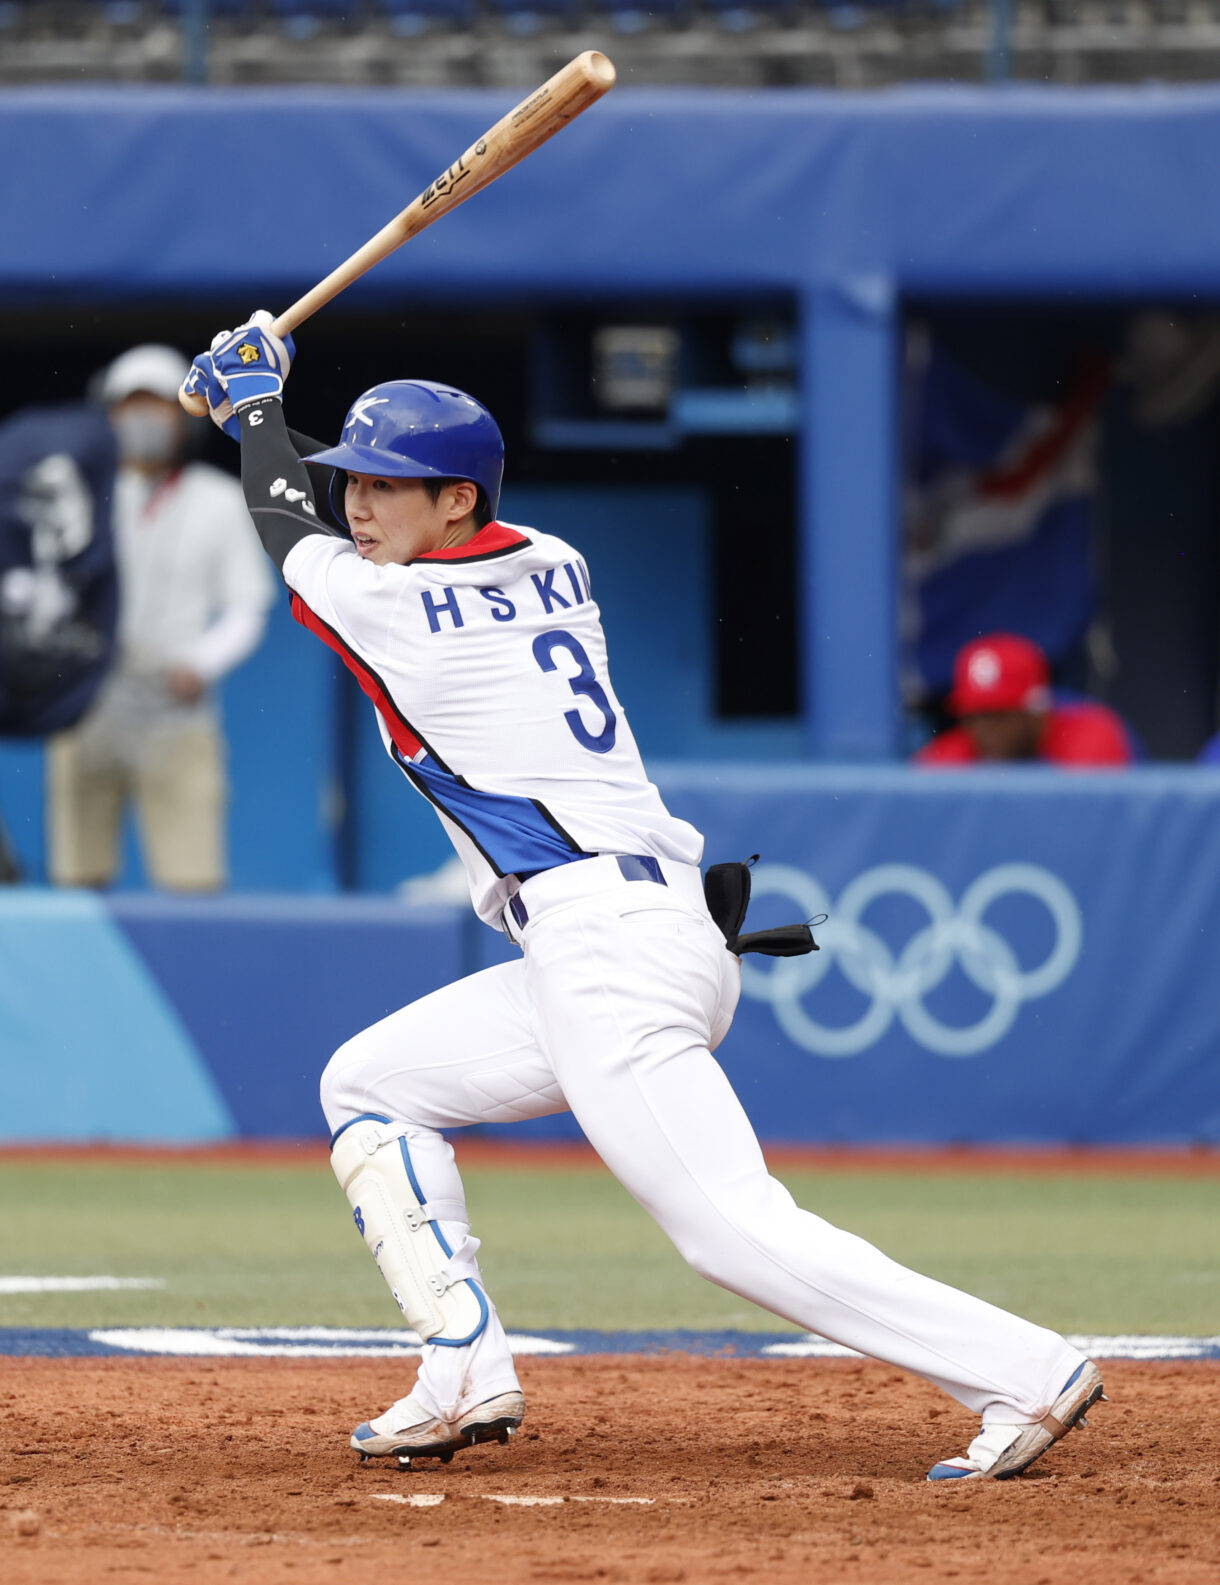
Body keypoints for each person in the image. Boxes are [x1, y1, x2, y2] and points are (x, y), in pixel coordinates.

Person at [185, 311, 1104, 1483]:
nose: (361, 504)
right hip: (621, 934)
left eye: (390, 485)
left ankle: (1018, 1369)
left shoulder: (396, 607)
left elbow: (288, 530)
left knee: (725, 1227)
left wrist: (257, 412)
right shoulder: (550, 559)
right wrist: (260, 415)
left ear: (458, 503)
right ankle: (462, 1365)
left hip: (607, 947)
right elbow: (323, 515)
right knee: (370, 1084)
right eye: (352, 481)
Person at [47, 345, 273, 891]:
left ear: (185, 415)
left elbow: (248, 605)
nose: (143, 419)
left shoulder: (218, 500)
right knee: (77, 882)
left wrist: (201, 662)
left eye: (158, 404)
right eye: (130, 405)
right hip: (87, 706)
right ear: (108, 413)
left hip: (175, 708)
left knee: (191, 880)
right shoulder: (71, 491)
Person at [915, 633, 1134, 766]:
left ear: (1036, 711)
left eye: (997, 715)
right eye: (974, 716)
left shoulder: (1090, 738)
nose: (983, 730)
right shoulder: (954, 754)